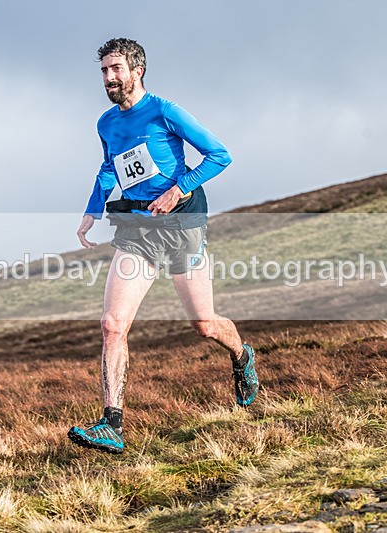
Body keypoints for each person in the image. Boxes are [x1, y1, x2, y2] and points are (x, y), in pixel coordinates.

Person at [67, 37, 258, 454]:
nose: (108, 78)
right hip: (137, 226)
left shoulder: (165, 111)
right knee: (112, 324)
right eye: (103, 71)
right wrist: (92, 209)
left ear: (137, 71)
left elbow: (219, 155)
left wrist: (178, 190)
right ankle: (111, 424)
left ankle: (241, 354)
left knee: (204, 324)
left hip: (182, 223)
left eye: (116, 69)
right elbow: (108, 166)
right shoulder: (106, 123)